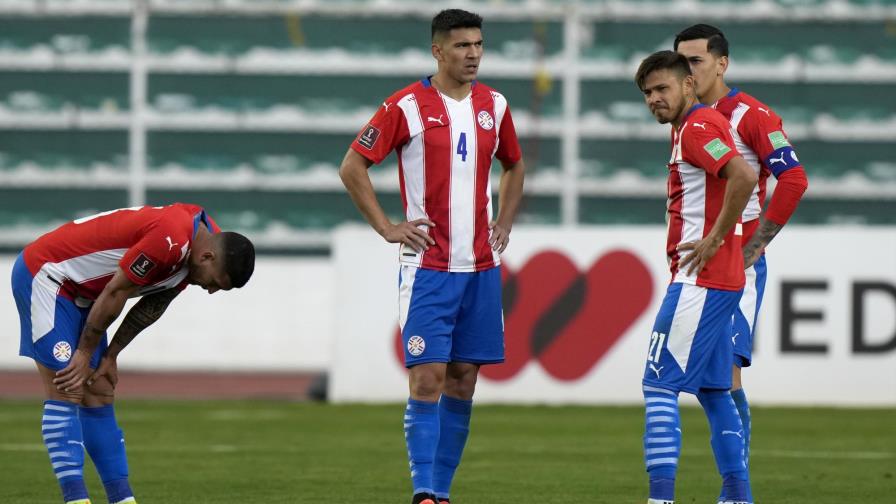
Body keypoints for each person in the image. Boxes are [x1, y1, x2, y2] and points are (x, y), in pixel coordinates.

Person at [338, 9, 525, 504]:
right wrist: (387, 227)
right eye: (462, 46)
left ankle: (440, 492)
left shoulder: (496, 105)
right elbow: (353, 166)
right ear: (438, 51)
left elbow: (515, 165)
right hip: (429, 269)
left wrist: (504, 220)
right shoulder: (405, 106)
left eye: (479, 45)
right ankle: (423, 491)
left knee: (463, 381)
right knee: (428, 377)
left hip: (481, 268)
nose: (473, 54)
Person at [12, 203, 255, 504]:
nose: (210, 291)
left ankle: (122, 499)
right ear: (208, 257)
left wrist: (111, 355)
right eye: (216, 284)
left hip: (85, 296)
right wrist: (86, 352)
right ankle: (75, 499)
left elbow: (152, 305)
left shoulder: (202, 248)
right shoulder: (171, 238)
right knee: (68, 384)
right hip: (48, 275)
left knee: (99, 390)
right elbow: (116, 292)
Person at [674, 24, 809, 487]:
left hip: (736, 264)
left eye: (695, 61)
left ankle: (736, 491)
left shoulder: (751, 114)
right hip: (698, 264)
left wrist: (756, 246)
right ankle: (736, 490)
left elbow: (793, 179)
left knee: (724, 375)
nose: (686, 71)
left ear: (721, 63)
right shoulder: (685, 116)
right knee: (714, 380)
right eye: (680, 62)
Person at [634, 51, 758, 504]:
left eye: (662, 88)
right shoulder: (701, 125)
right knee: (714, 390)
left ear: (689, 85)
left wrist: (714, 238)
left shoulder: (697, 128)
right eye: (647, 93)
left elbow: (743, 175)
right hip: (720, 281)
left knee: (658, 385)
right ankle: (737, 495)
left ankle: (661, 499)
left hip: (700, 280)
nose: (654, 99)